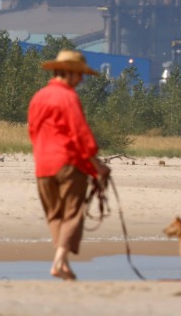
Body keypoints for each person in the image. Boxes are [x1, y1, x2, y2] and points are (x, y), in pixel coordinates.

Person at [28, 50, 111, 280]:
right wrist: (98, 166)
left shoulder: (39, 96)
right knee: (72, 214)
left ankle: (62, 262)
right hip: (68, 164)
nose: (82, 79)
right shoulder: (68, 97)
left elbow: (33, 132)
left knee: (55, 215)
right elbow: (80, 134)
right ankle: (58, 263)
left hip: (43, 165)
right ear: (69, 73)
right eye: (80, 75)